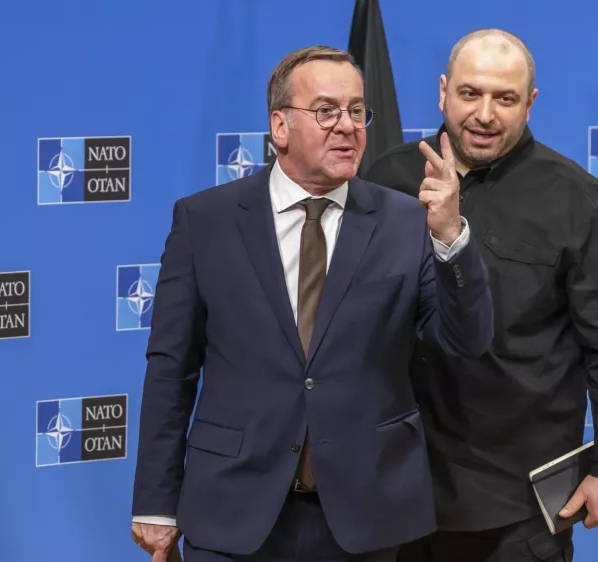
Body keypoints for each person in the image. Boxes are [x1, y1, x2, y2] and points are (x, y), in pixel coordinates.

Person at [129, 45, 494, 562]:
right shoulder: (205, 222)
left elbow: (467, 342)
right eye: (325, 111)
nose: (346, 126)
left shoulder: (407, 222)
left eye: (356, 111)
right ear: (280, 126)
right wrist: (155, 502)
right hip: (234, 511)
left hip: (364, 515)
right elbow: (172, 369)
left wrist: (452, 237)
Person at [364, 29, 598, 562]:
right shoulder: (384, 179)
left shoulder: (575, 197)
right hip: (394, 492)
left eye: (505, 98)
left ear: (531, 103)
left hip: (515, 504)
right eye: (470, 94)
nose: (485, 114)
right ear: (443, 91)